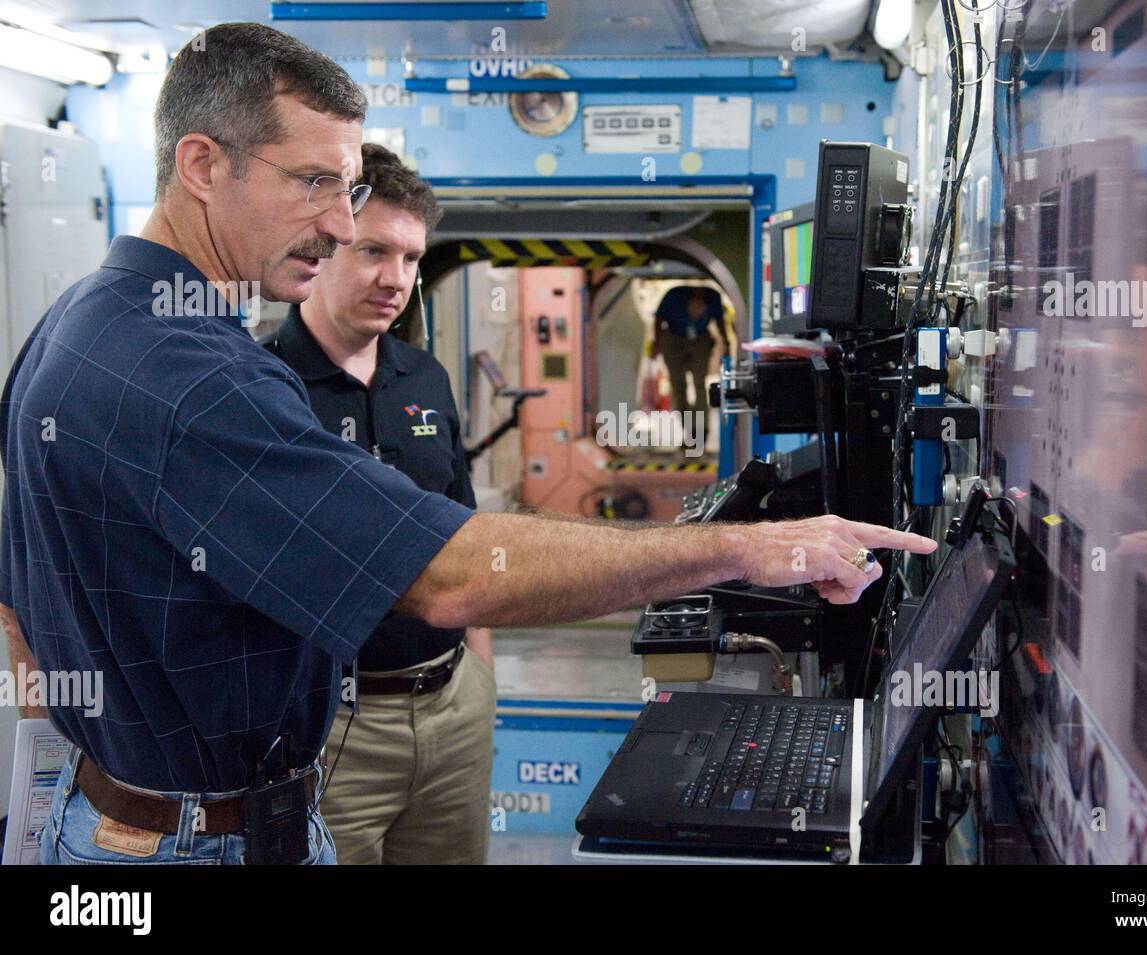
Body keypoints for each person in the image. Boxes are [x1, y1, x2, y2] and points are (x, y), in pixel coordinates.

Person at [0, 22, 936, 866]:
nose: (337, 221)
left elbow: (18, 602)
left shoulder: (72, 323)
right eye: (312, 182)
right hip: (194, 841)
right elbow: (449, 572)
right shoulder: (196, 375)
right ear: (202, 165)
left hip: (133, 815)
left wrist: (102, 750)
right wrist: (745, 546)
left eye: (350, 187)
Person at [262, 143, 494, 864]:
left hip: (451, 705)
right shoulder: (262, 385)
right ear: (326, 242)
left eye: (413, 259)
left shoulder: (426, 376)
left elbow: (466, 529)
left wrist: (480, 677)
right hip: (331, 727)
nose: (396, 279)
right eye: (374, 251)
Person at [651, 284, 733, 449]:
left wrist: (725, 341)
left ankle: (701, 430)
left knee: (699, 382)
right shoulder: (673, 296)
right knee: (678, 383)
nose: (696, 316)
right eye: (694, 312)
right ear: (687, 303)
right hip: (674, 339)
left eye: (701, 313)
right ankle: (689, 429)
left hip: (700, 340)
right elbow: (659, 318)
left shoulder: (713, 298)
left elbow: (719, 321)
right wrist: (656, 342)